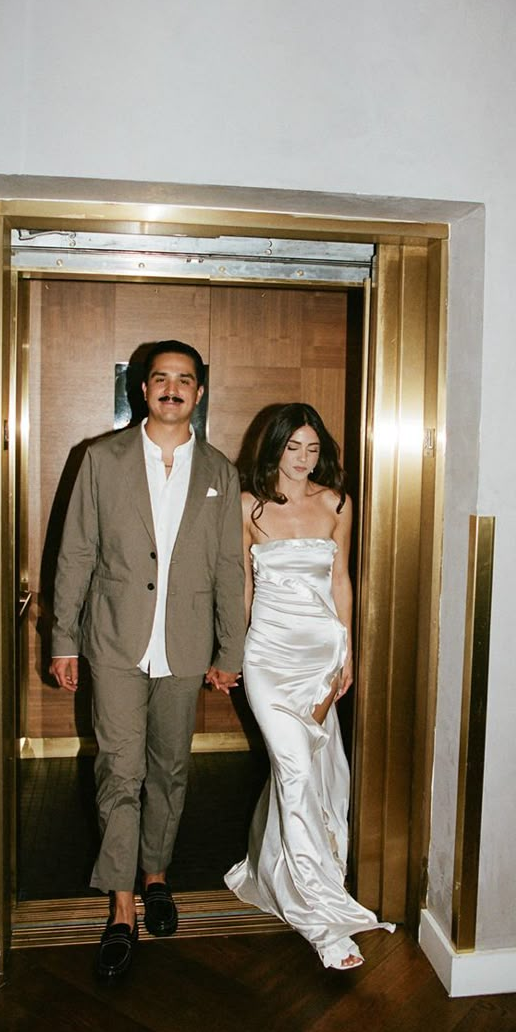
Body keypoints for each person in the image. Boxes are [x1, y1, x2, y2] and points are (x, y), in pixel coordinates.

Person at [49, 340, 245, 982]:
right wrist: (63, 638)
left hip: (185, 645)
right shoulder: (99, 459)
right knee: (120, 769)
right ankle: (122, 905)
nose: (171, 388)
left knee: (172, 768)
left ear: (199, 392)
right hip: (114, 642)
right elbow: (76, 553)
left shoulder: (220, 470)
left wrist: (229, 648)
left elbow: (226, 569)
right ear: (142, 390)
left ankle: (156, 874)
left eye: (184, 380)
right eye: (160, 378)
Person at [224, 403, 395, 969]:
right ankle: (323, 923)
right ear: (272, 447)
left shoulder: (336, 503)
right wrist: (233, 653)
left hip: (322, 654)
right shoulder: (248, 506)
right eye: (293, 447)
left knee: (307, 773)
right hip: (269, 657)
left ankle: (278, 866)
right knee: (296, 770)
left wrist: (349, 652)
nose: (302, 459)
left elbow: (342, 580)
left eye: (313, 448)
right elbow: (243, 587)